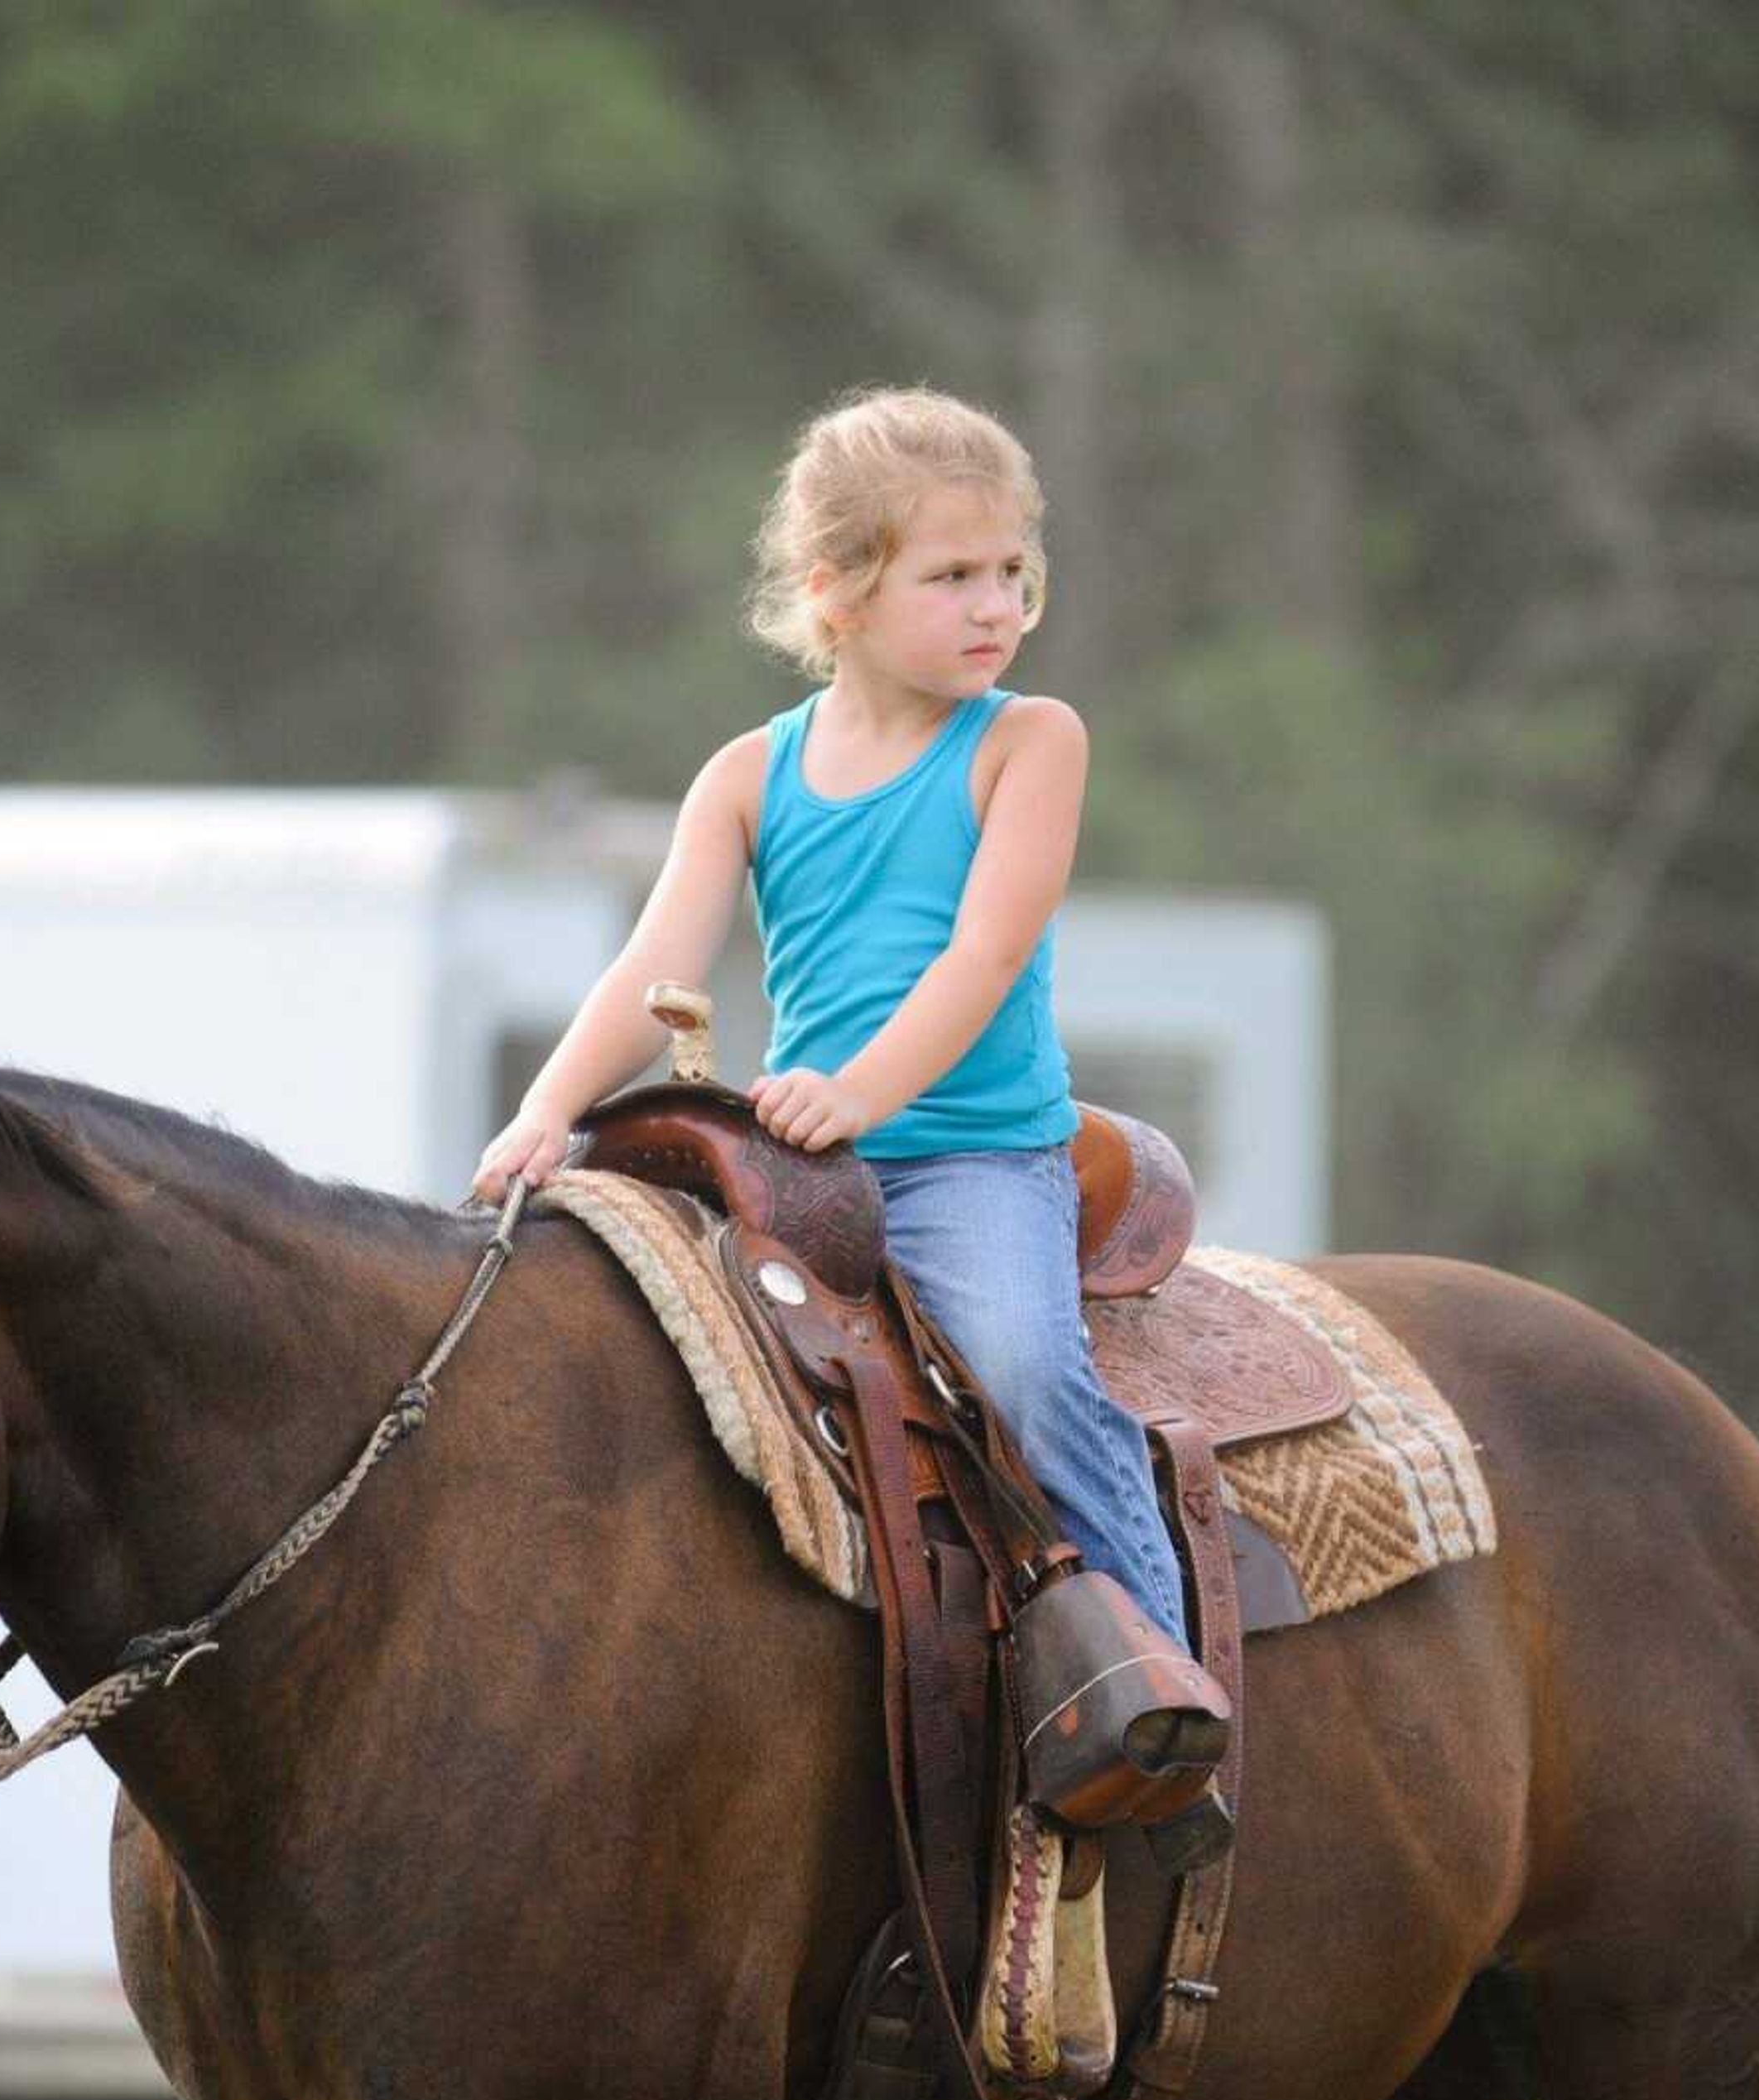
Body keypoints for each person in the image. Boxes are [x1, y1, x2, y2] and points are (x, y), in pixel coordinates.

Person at [469, 384, 1229, 1860]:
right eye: (952, 576)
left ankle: (1161, 1694)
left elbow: (983, 954)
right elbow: (658, 967)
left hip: (966, 1155)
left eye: (1014, 572)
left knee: (1015, 1359)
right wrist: (551, 1108)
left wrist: (863, 1093)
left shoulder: (1028, 744)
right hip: (796, 1159)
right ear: (836, 589)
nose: (995, 605)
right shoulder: (751, 773)